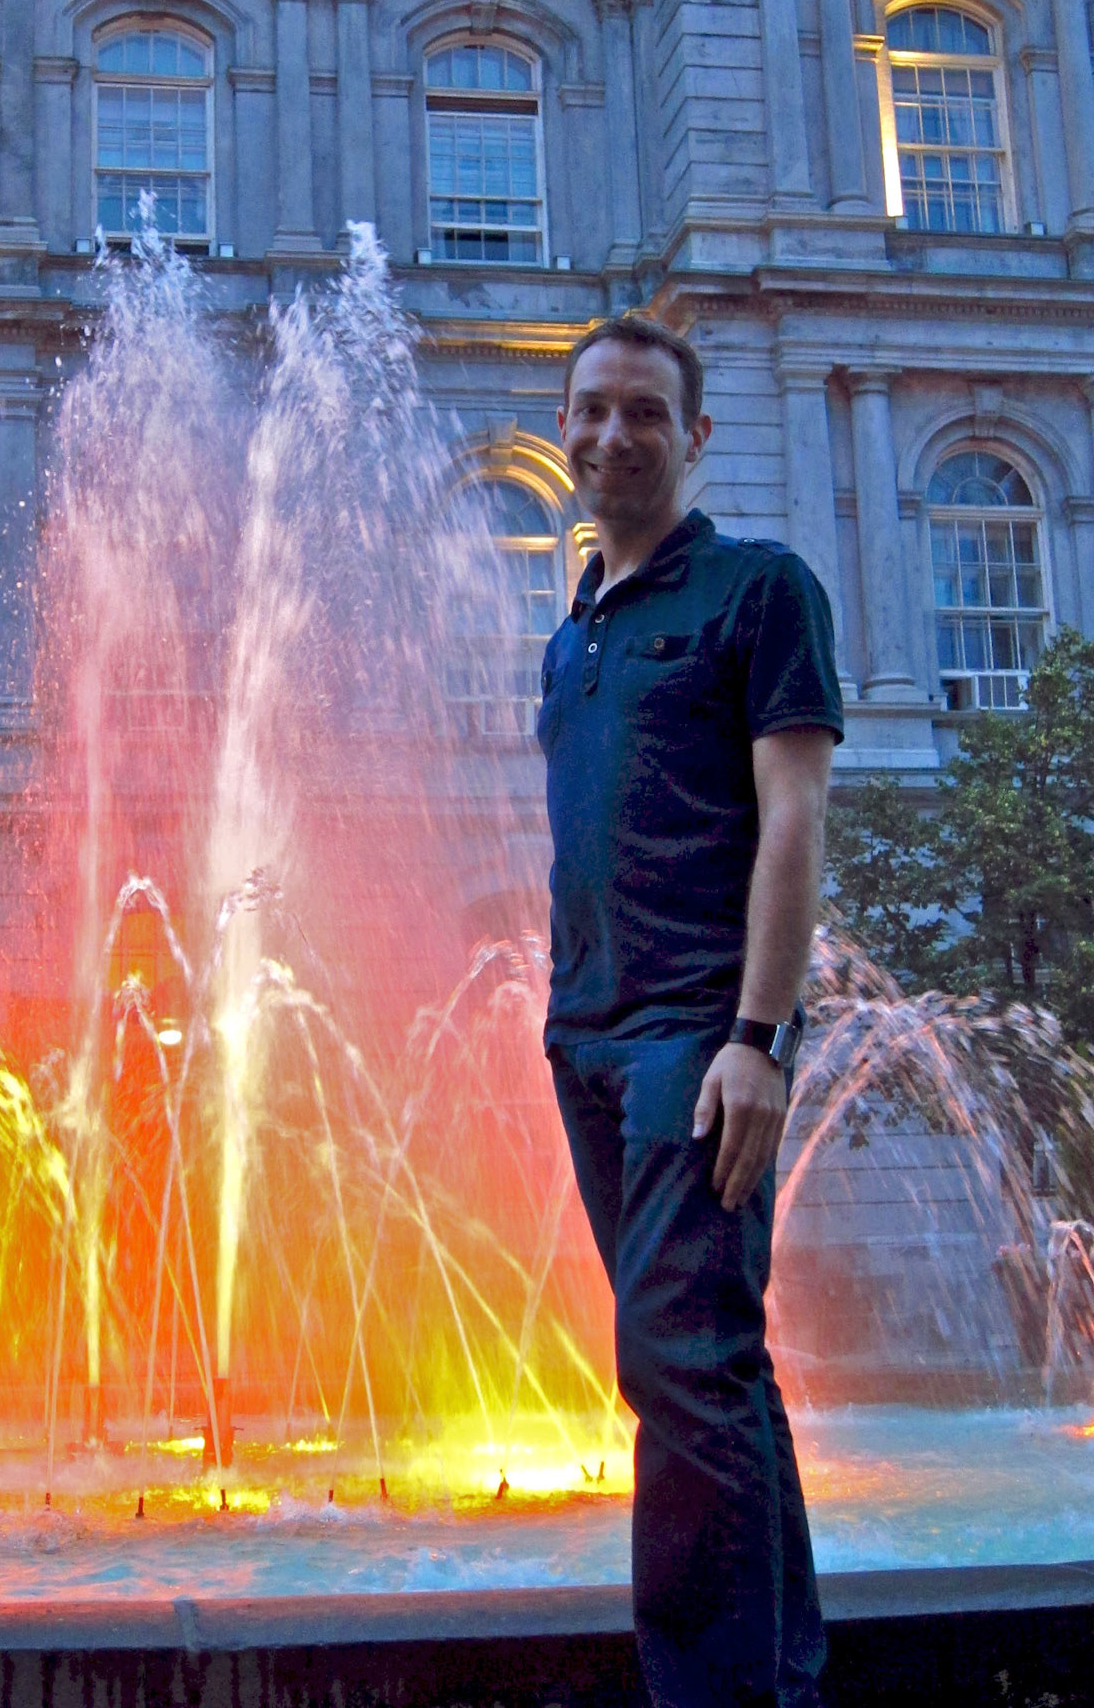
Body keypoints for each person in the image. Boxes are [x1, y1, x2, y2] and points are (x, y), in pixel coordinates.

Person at [537, 311, 844, 1708]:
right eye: (592, 409)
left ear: (694, 434)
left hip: (695, 1041)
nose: (615, 433)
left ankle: (704, 1696)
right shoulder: (574, 633)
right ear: (566, 430)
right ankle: (780, 1681)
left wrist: (759, 1038)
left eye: (646, 411)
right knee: (714, 1360)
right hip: (587, 1039)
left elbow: (794, 820)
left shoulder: (758, 590)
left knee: (673, 1361)